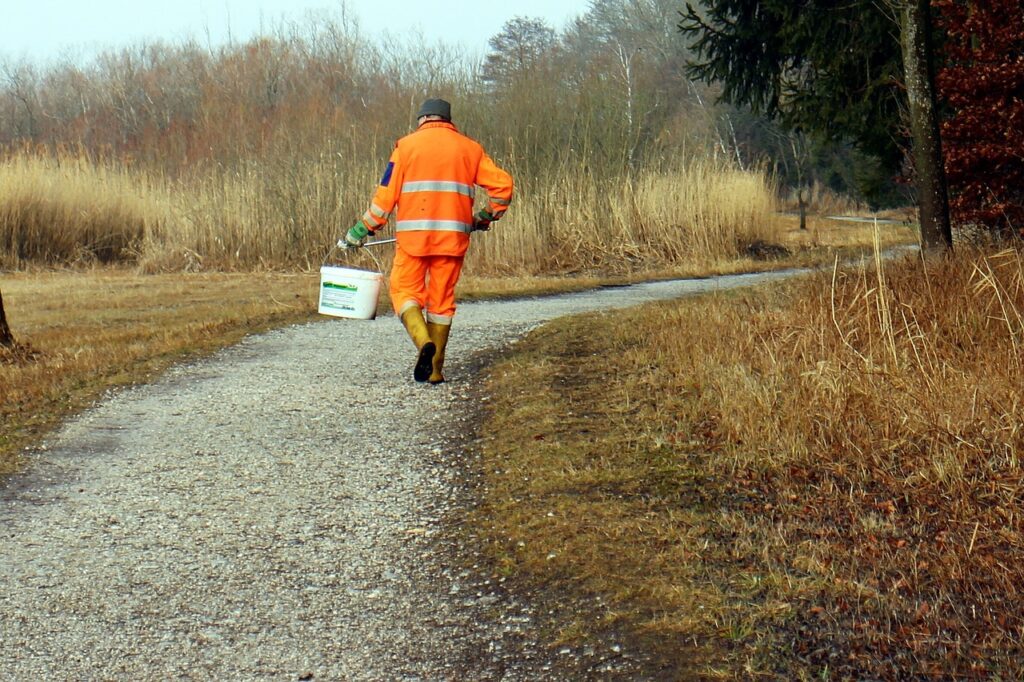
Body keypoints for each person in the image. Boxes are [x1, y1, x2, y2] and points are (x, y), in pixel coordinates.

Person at [344, 98, 514, 384]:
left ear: (421, 119)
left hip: (413, 240)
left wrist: (362, 230)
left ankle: (423, 343)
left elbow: (385, 198)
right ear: (449, 120)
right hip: (453, 240)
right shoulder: (470, 148)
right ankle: (435, 370)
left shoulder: (406, 147)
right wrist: (484, 217)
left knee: (403, 291)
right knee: (442, 302)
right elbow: (503, 188)